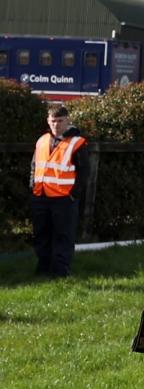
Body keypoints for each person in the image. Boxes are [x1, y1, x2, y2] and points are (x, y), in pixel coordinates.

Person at [30, 104, 90, 277]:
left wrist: (73, 194)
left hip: (64, 199)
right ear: (48, 121)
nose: (56, 124)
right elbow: (34, 166)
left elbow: (84, 172)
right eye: (53, 121)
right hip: (41, 196)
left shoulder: (77, 143)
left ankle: (61, 271)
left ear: (67, 120)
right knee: (41, 234)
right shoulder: (42, 140)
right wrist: (32, 186)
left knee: (63, 236)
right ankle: (43, 268)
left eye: (60, 121)